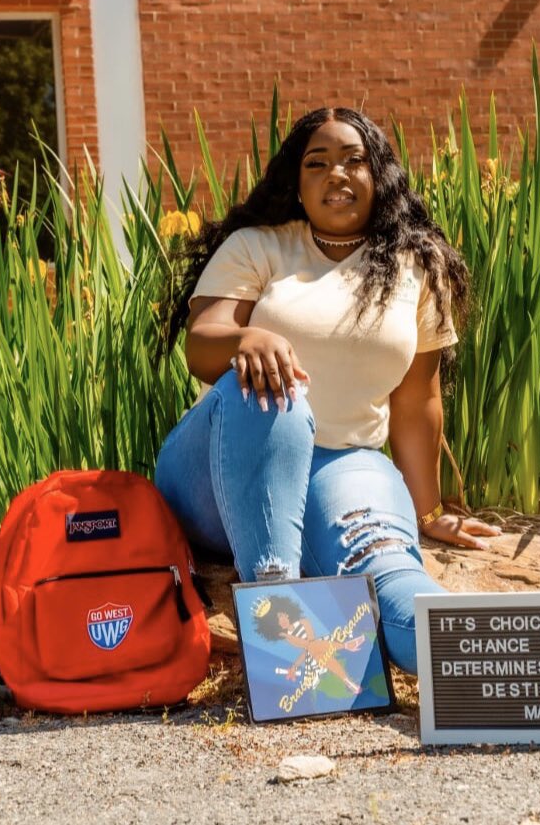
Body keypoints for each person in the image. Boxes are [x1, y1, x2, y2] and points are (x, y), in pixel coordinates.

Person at [155, 107, 501, 673]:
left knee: (391, 573)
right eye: (317, 163)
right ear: (296, 180)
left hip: (342, 463)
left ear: (379, 175)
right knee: (271, 396)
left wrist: (426, 511)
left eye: (353, 160)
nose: (335, 174)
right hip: (221, 469)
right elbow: (201, 344)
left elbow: (418, 400)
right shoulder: (258, 246)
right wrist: (247, 339)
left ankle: (480, 666)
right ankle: (278, 606)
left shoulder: (415, 265)